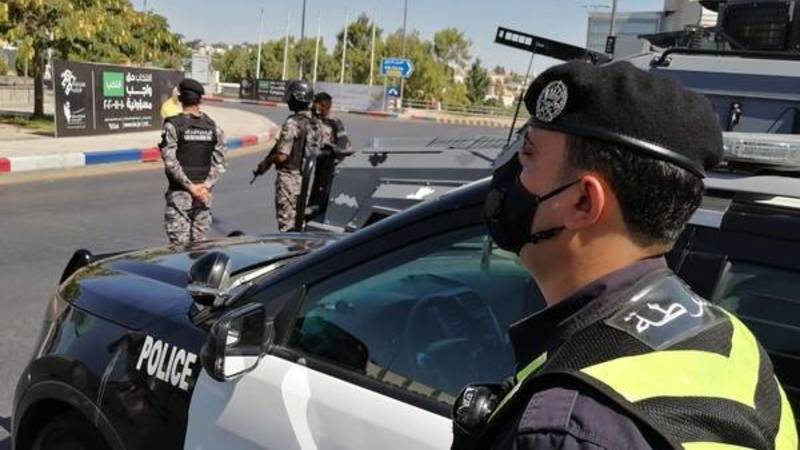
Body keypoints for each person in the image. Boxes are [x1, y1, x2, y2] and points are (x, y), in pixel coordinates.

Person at [451, 61, 797, 449]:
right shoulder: (733, 340)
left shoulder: (568, 431)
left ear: (582, 202)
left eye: (527, 156)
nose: (510, 173)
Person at [159, 78, 226, 245]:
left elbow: (170, 162)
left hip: (180, 195)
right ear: (200, 100)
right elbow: (220, 162)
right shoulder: (213, 127)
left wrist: (190, 187)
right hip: (204, 195)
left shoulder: (173, 126)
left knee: (180, 250)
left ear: (180, 99)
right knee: (199, 248)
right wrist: (205, 186)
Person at [253, 80, 321, 232]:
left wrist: (270, 161)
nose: (288, 100)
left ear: (297, 98)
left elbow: (282, 155)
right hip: (305, 179)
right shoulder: (315, 123)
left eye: (290, 97)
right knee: (300, 222)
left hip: (289, 179)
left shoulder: (292, 123)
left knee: (287, 225)